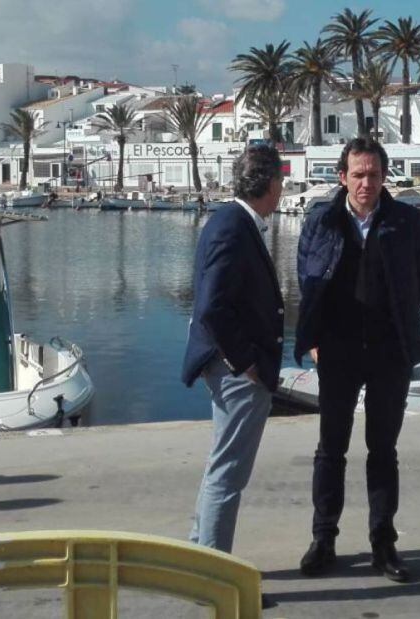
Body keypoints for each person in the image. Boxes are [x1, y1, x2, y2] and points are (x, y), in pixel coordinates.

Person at [294, 137, 420, 583]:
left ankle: (383, 543)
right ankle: (323, 539)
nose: (366, 183)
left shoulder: (406, 222)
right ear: (342, 176)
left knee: (383, 450)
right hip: (337, 350)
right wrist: (314, 337)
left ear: (383, 176)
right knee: (330, 449)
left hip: (389, 350)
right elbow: (307, 278)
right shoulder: (322, 221)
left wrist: (399, 325)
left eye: (373, 174)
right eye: (357, 174)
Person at [182, 144, 286, 556]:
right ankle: (215, 573)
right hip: (237, 371)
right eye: (280, 180)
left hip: (230, 366)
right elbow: (212, 308)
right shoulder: (232, 226)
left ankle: (199, 553)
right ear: (269, 183)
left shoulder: (231, 221)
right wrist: (245, 364)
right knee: (228, 474)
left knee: (220, 468)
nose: (282, 190)